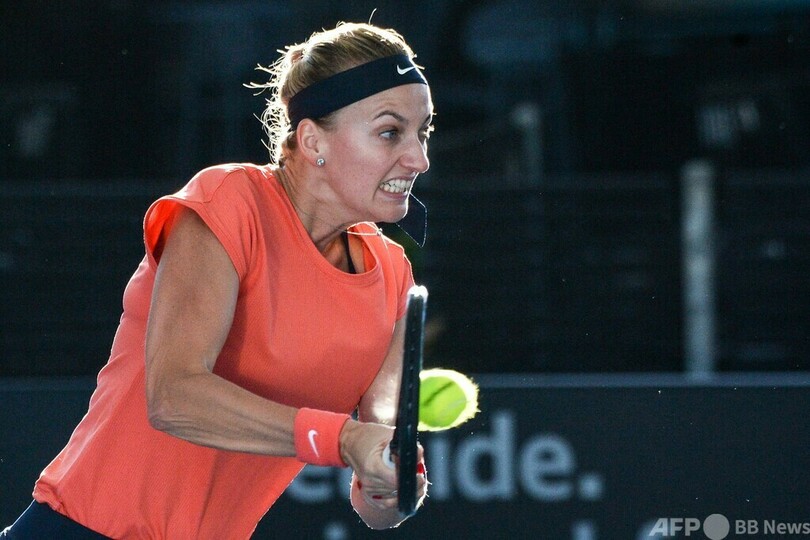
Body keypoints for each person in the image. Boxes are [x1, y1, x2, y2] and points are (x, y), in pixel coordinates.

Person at [2, 21, 433, 539]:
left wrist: (390, 485)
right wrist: (343, 439)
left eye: (423, 133)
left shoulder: (394, 275)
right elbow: (173, 396)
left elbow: (377, 481)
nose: (419, 158)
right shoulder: (229, 201)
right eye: (390, 132)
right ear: (312, 139)